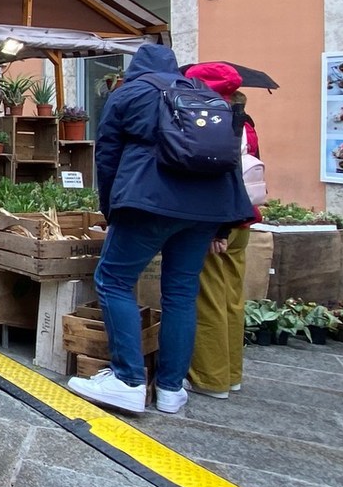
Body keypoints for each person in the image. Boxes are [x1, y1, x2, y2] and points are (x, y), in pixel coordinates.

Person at [67, 45, 253, 415]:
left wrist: (111, 209)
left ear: (136, 68)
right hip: (207, 209)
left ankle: (129, 380)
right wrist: (223, 223)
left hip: (149, 202)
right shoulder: (202, 94)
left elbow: (106, 157)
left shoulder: (129, 93)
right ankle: (170, 389)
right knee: (181, 293)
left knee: (114, 281)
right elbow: (227, 159)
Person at [185, 65, 258, 398]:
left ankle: (210, 378)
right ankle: (232, 373)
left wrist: (218, 229)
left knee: (210, 298)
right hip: (244, 218)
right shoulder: (246, 120)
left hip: (220, 220)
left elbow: (219, 177)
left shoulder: (213, 121)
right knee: (231, 298)